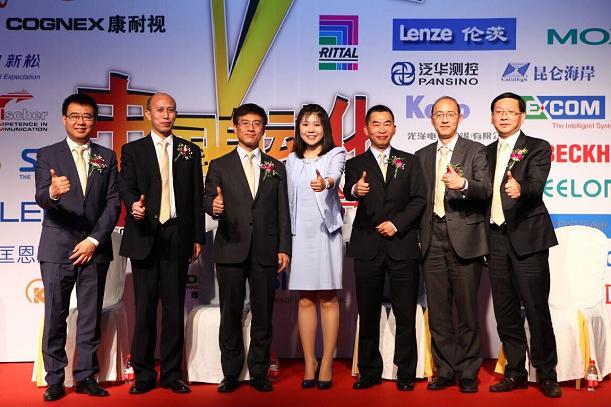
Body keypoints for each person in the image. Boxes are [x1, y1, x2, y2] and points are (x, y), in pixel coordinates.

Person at [35, 93, 121, 401]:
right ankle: (55, 379)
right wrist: (53, 192)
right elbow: (41, 197)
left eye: (87, 116)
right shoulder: (48, 154)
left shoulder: (106, 156)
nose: (81, 122)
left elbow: (113, 203)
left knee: (90, 317)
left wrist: (94, 240)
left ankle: (85, 376)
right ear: (64, 119)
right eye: (74, 116)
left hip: (93, 249)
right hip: (57, 248)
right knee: (55, 316)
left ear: (94, 121)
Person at [119, 92, 204, 395]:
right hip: (144, 234)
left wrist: (197, 237)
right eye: (160, 110)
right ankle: (143, 374)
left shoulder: (189, 151)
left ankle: (171, 373)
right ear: (148, 114)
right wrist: (133, 205)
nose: (166, 115)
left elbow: (196, 196)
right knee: (144, 308)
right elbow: (126, 185)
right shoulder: (133, 150)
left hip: (177, 235)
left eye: (171, 110)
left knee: (174, 307)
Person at [204, 103, 291, 393]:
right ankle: (230, 373)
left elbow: (282, 211)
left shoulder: (275, 167)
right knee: (230, 314)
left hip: (266, 249)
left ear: (264, 129)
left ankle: (259, 372)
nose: (251, 128)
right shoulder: (219, 164)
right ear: (235, 127)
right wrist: (214, 206)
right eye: (245, 123)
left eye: (256, 123)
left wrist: (284, 247)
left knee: (263, 314)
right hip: (231, 246)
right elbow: (207, 198)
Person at [344, 105, 425, 391]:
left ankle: (406, 372)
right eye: (375, 124)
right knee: (368, 313)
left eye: (386, 123)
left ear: (394, 128)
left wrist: (396, 224)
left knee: (405, 313)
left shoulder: (409, 161)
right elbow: (349, 189)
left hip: (402, 245)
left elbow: (419, 199)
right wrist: (356, 190)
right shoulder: (356, 163)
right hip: (367, 246)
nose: (381, 129)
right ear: (365, 129)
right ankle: (368, 371)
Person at [486, 92, 561, 398]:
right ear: (492, 117)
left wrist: (521, 188)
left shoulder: (538, 147)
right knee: (505, 312)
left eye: (510, 111)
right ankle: (515, 372)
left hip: (527, 238)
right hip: (495, 239)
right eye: (498, 111)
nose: (504, 116)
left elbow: (536, 184)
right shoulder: (485, 153)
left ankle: (546, 373)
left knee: (536, 308)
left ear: (522, 116)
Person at [415, 96, 491, 393]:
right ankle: (445, 369)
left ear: (460, 117)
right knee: (439, 311)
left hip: (465, 239)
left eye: (450, 114)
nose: (445, 119)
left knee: (468, 311)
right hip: (431, 238)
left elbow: (486, 189)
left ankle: (468, 371)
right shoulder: (421, 155)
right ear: (432, 119)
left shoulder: (475, 150)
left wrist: (464, 185)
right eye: (439, 114)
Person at [286, 104, 345, 390]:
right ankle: (310, 361)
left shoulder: (336, 153)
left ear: (325, 129)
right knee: (305, 299)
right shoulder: (290, 160)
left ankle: (328, 362)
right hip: (299, 235)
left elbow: (334, 176)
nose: (311, 130)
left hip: (326, 234)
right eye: (306, 124)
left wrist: (326, 183)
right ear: (298, 128)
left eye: (317, 124)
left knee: (328, 298)